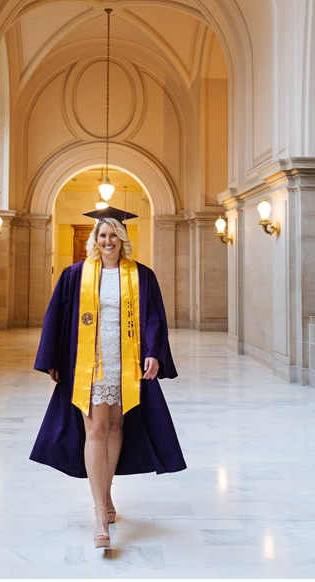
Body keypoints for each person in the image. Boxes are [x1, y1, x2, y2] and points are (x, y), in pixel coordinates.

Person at [30, 206, 186, 548]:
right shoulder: (75, 275)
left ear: (123, 238)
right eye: (102, 235)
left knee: (117, 427)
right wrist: (54, 358)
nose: (108, 240)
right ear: (94, 240)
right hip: (89, 362)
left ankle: (107, 493)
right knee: (97, 429)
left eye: (114, 234)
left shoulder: (142, 275)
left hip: (125, 362)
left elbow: (154, 317)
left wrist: (154, 352)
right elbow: (55, 316)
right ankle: (100, 512)